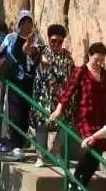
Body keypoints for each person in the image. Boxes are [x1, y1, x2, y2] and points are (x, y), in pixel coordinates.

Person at [49, 43, 106, 191]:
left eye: (102, 60)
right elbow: (69, 91)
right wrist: (60, 108)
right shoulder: (81, 71)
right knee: (90, 147)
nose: (99, 63)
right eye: (96, 59)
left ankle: (81, 186)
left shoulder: (105, 74)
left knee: (98, 152)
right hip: (84, 116)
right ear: (89, 56)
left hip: (100, 118)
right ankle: (74, 182)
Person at [0, 11, 39, 157]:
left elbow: (39, 57)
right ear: (19, 24)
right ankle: (15, 145)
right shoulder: (11, 38)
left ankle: (20, 143)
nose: (27, 25)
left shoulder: (36, 39)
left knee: (26, 113)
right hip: (15, 80)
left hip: (30, 80)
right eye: (24, 22)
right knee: (15, 111)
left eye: (30, 23)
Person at [31, 23, 75, 153]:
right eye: (53, 41)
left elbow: (72, 74)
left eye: (60, 41)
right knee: (41, 122)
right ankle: (40, 154)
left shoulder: (67, 56)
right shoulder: (42, 50)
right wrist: (28, 41)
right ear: (49, 39)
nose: (56, 44)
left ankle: (55, 150)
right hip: (44, 95)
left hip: (61, 96)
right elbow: (28, 51)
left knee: (65, 123)